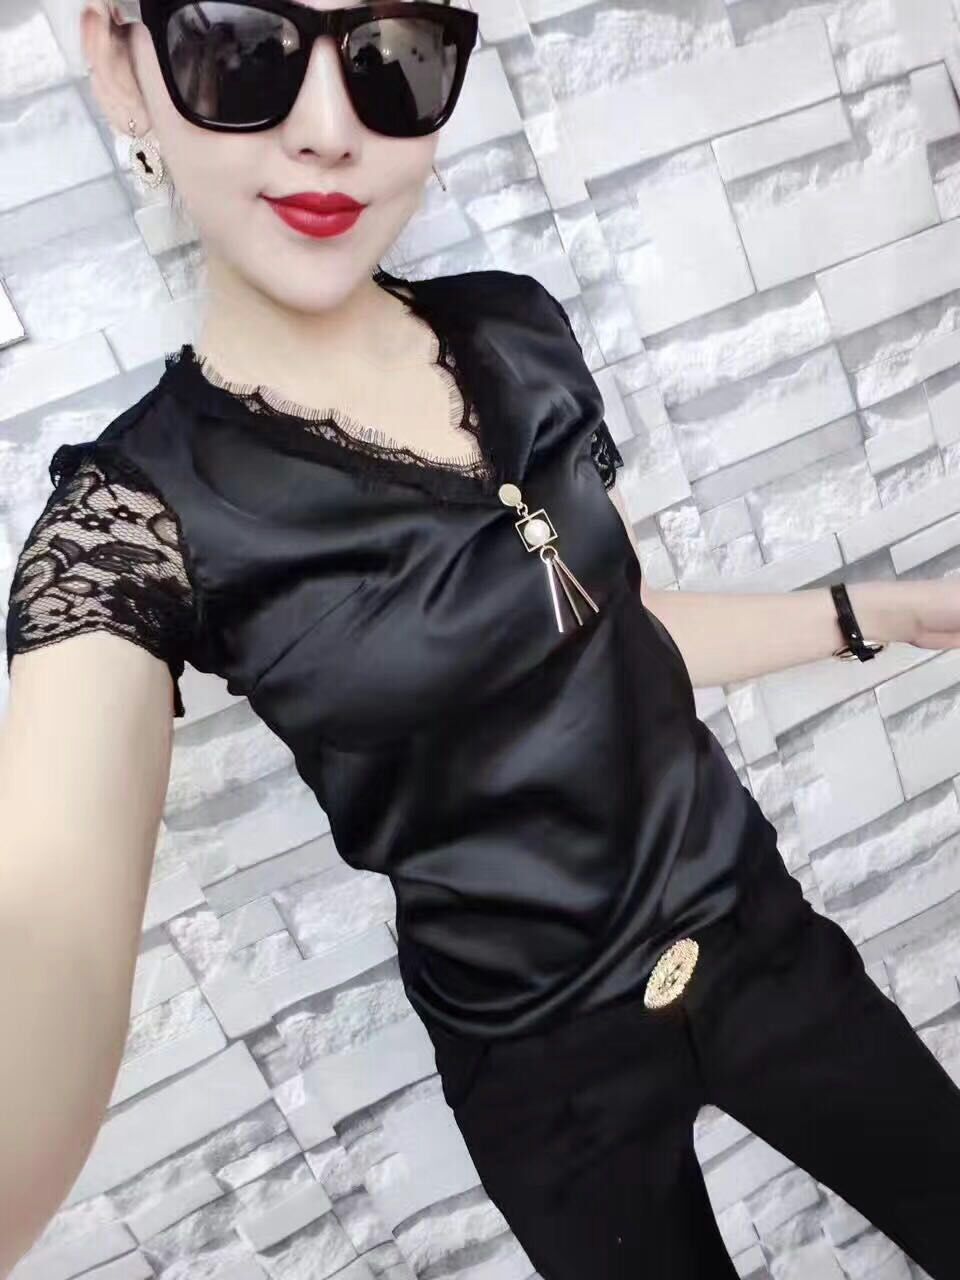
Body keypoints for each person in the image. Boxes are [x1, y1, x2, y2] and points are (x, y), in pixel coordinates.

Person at [2, 0, 960, 1274]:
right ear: (124, 66)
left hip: (758, 933)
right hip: (546, 1077)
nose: (330, 128)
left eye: (392, 58)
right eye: (243, 50)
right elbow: (47, 925)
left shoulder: (517, 326)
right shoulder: (135, 520)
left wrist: (871, 612)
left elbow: (603, 627)